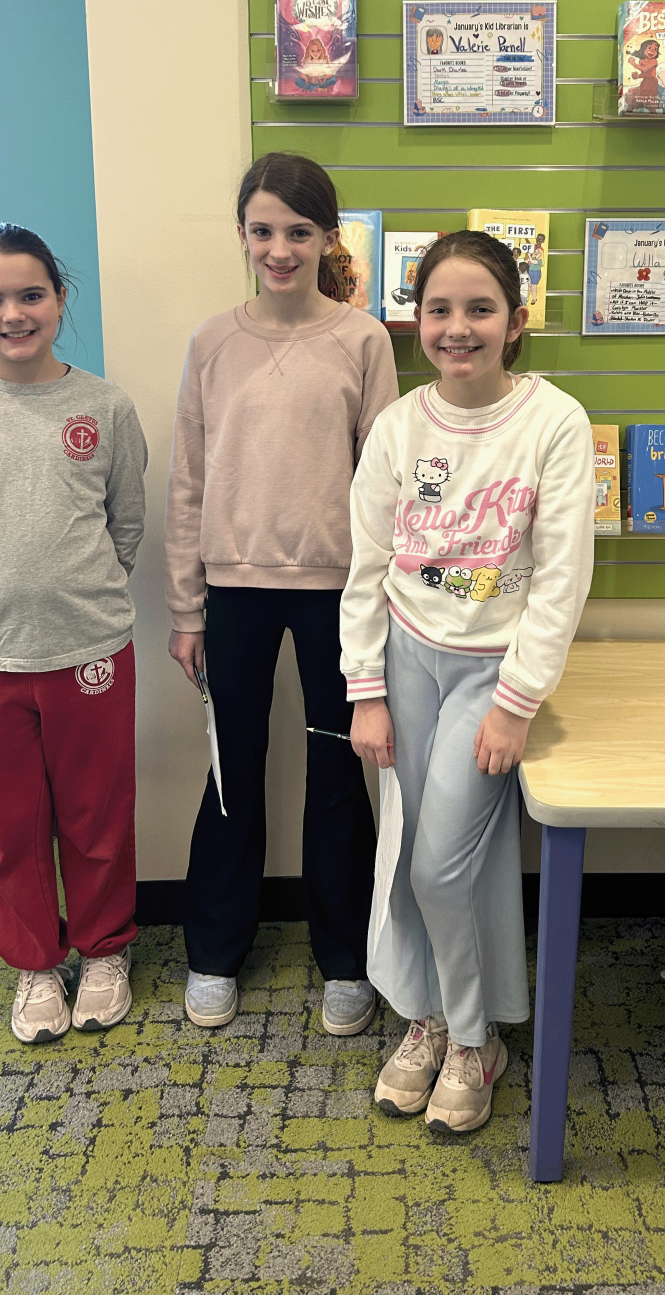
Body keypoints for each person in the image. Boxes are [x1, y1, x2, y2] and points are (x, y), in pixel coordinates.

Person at [341, 230, 594, 1134]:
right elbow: (368, 564)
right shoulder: (402, 426)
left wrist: (519, 700)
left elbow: (563, 577)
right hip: (408, 656)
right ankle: (431, 1017)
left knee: (439, 864)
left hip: (491, 670)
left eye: (479, 308)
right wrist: (364, 690)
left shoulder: (553, 422)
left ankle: (474, 1039)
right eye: (439, 309)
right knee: (408, 852)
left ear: (515, 322)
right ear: (416, 324)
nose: (458, 328)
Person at [166, 152, 398, 1035]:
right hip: (232, 592)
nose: (280, 248)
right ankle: (214, 951)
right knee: (234, 772)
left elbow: (383, 489)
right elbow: (189, 483)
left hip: (337, 596)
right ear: (242, 236)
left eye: (299, 231)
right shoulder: (211, 342)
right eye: (263, 230)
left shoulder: (363, 340)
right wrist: (186, 608)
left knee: (338, 774)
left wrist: (378, 609)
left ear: (327, 237)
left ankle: (346, 958)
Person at [0, 224, 147, 1044]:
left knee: (97, 812)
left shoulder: (105, 406)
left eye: (31, 294)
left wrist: (71, 590)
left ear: (61, 298)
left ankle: (105, 950)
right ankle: (37, 966)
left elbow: (126, 519)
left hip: (91, 649)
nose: (14, 313)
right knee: (10, 823)